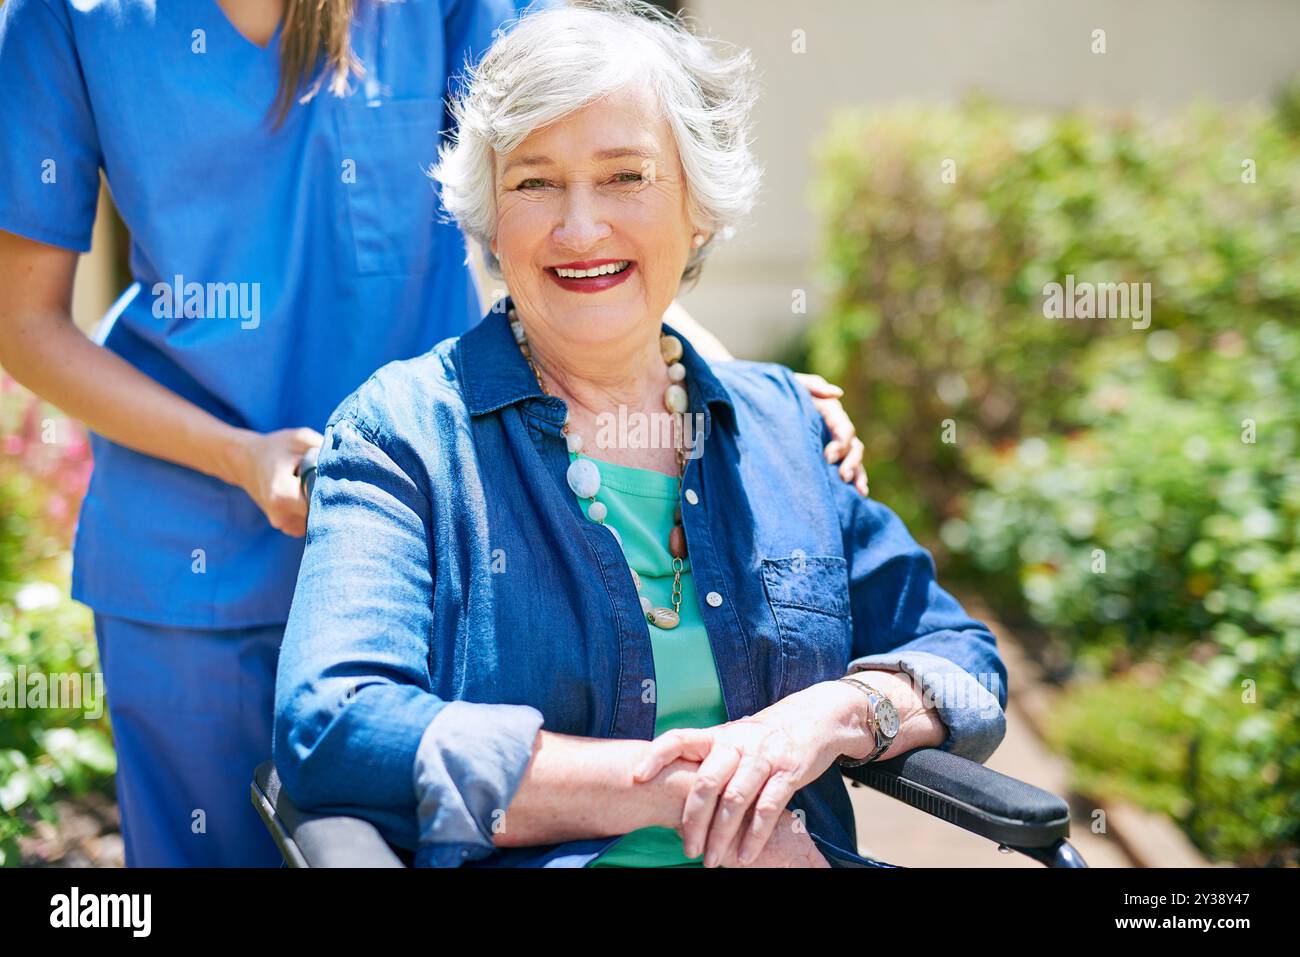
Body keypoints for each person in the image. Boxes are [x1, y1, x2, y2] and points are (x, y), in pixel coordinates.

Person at [0, 0, 867, 867]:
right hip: (189, 559)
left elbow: (563, 188)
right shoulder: (70, 18)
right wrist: (239, 455)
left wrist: (737, 393)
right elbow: (22, 321)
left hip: (451, 534)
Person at [273, 0, 1006, 868]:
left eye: (626, 176)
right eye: (535, 182)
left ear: (698, 203)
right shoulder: (404, 434)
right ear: (491, 220)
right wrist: (692, 789)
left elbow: (963, 659)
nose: (581, 228)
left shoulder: (781, 428)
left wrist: (834, 716)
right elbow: (334, 721)